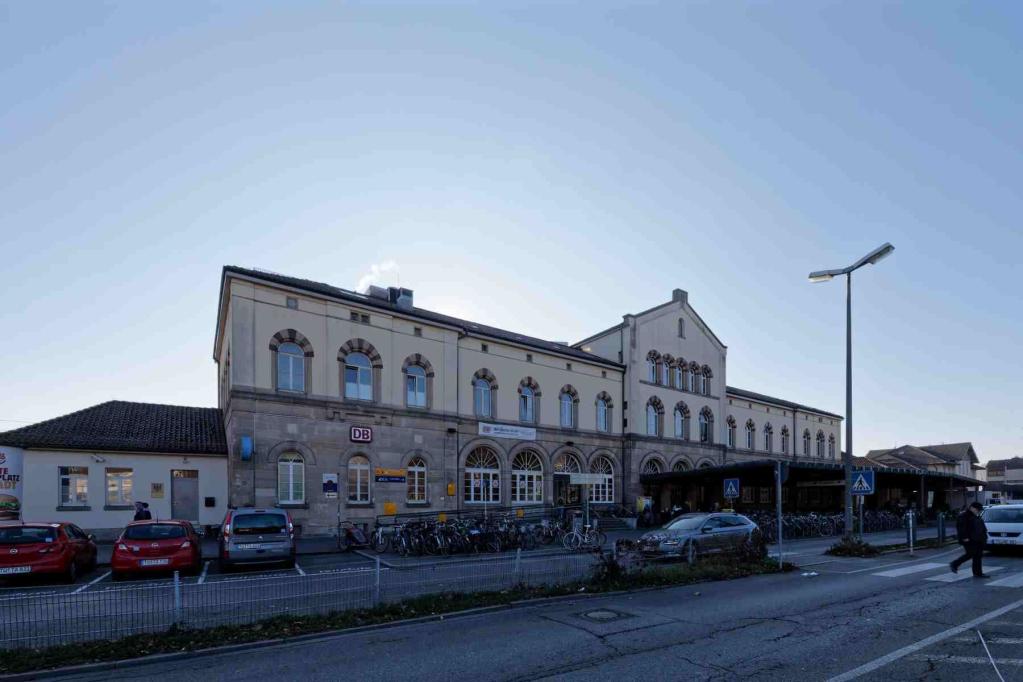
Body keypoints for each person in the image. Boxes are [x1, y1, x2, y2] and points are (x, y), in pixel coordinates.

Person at [950, 501, 989, 578]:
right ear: (972, 508)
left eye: (979, 510)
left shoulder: (975, 515)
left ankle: (978, 573)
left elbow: (980, 526)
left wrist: (984, 536)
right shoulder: (964, 516)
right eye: (977, 509)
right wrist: (965, 537)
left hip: (978, 539)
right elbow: (962, 528)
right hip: (969, 539)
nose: (978, 511)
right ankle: (955, 564)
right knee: (971, 554)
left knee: (978, 556)